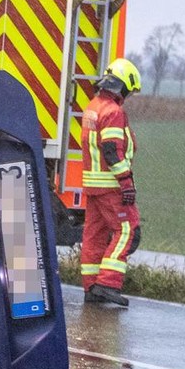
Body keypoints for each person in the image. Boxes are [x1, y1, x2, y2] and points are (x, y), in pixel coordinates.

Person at [80, 57, 142, 307]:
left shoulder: (93, 107)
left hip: (93, 184)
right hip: (111, 185)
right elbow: (112, 150)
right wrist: (126, 182)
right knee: (127, 229)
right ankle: (107, 283)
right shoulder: (113, 112)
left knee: (94, 234)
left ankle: (92, 286)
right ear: (123, 85)